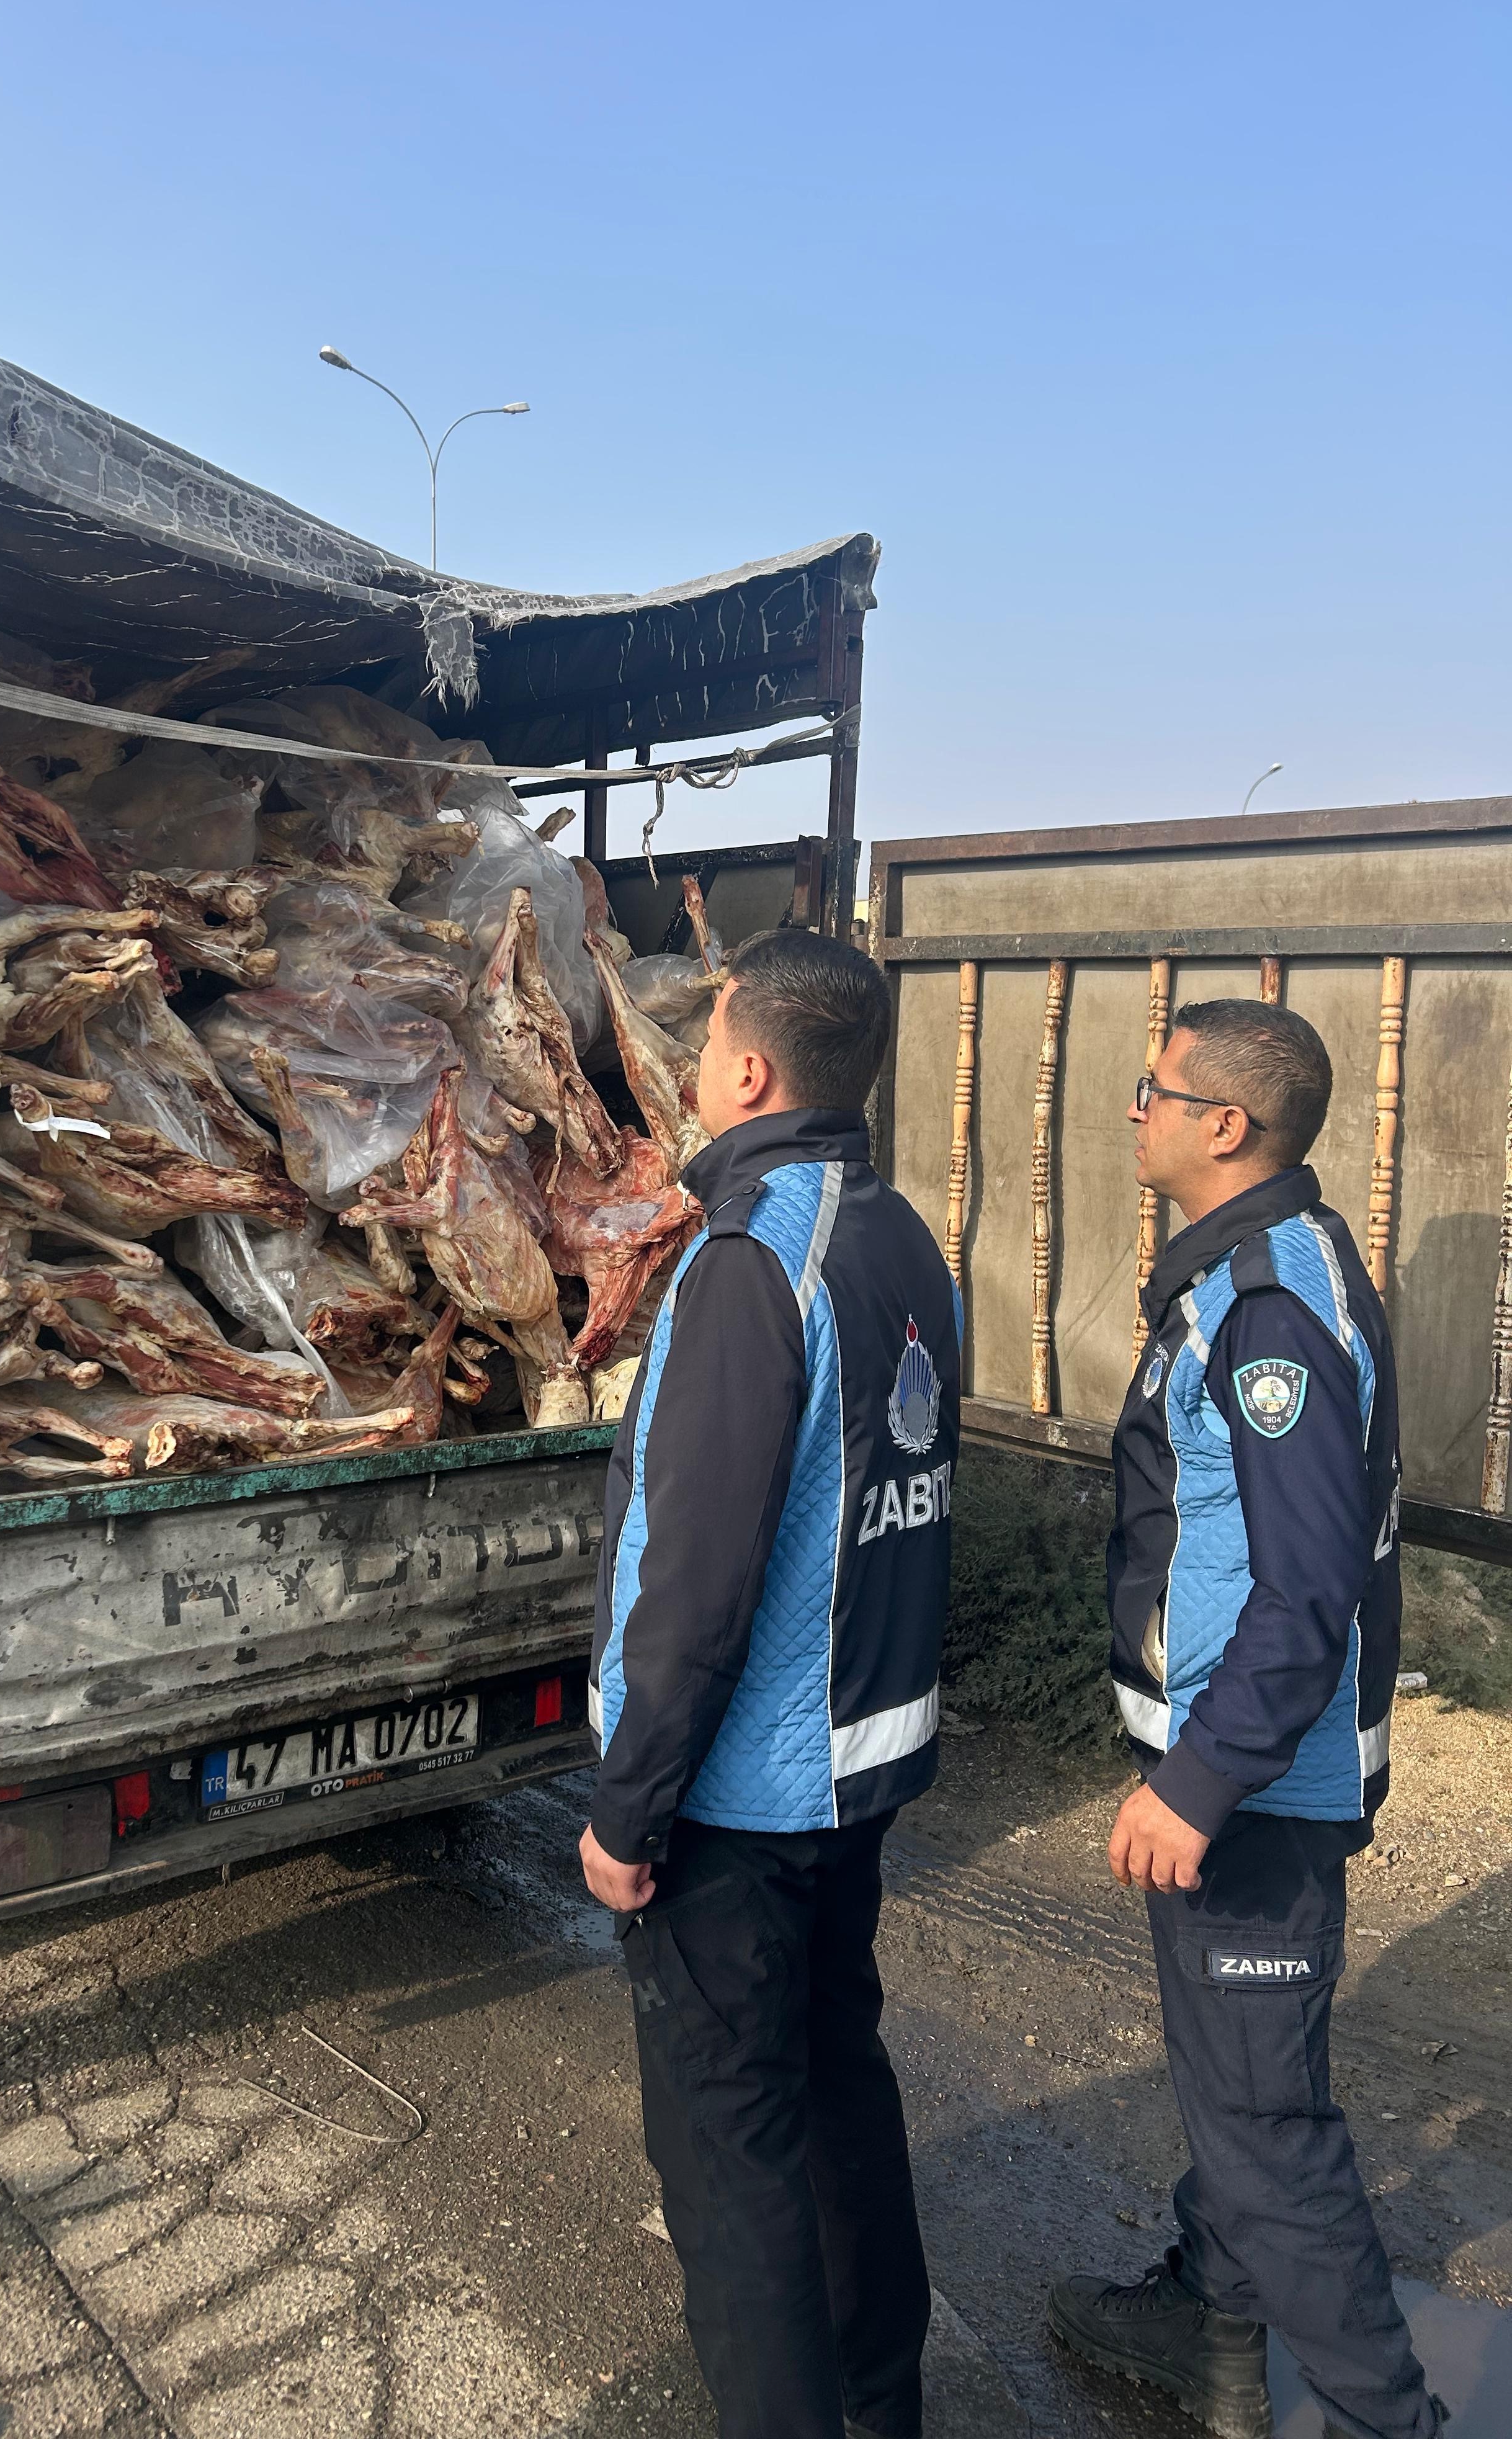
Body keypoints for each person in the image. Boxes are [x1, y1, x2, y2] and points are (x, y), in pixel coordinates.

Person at [578, 925, 960, 2439]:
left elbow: (698, 1579)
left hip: (744, 1803)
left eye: (705, 1039)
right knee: (837, 2093)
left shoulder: (749, 1263)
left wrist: (629, 1809)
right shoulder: (894, 1234)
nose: (688, 1068)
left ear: (747, 1067)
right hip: (857, 1773)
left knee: (730, 2159)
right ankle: (882, 2400)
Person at [1049, 1000, 1446, 2439]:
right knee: (1234, 2087)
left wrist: (1201, 1781)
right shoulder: (1242, 1274)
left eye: (1151, 1091)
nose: (1133, 1112)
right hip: (1238, 1764)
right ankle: (1210, 2330)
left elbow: (1308, 1586)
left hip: (1258, 1787)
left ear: (1227, 1124)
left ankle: (1384, 2416)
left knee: (1270, 2127)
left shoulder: (1272, 1304)